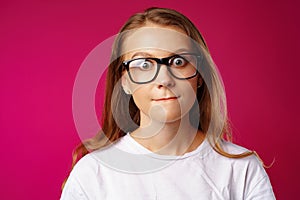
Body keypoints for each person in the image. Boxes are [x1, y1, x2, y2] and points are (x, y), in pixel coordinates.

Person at [61, 7, 275, 199]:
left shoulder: (241, 170)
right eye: (144, 64)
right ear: (124, 81)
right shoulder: (92, 175)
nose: (164, 79)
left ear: (199, 75)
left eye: (179, 61)